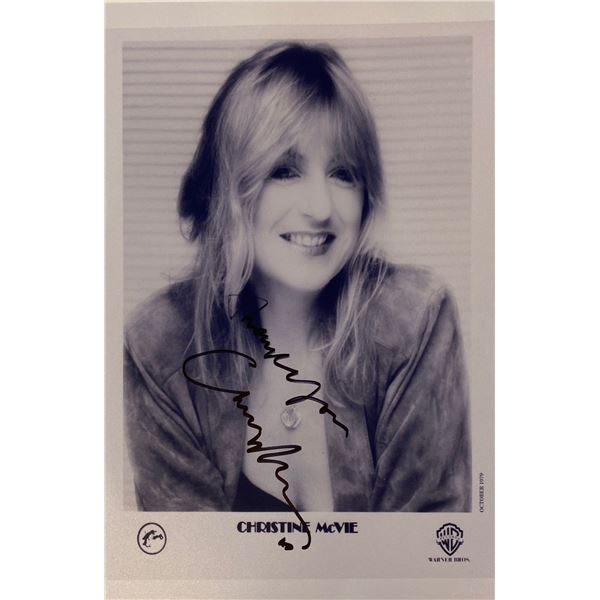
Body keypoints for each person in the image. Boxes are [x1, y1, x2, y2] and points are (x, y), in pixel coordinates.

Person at [124, 41, 471, 514]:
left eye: (343, 173)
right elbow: (186, 558)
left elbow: (430, 548)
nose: (321, 208)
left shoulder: (413, 321)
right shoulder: (160, 346)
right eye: (285, 171)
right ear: (227, 188)